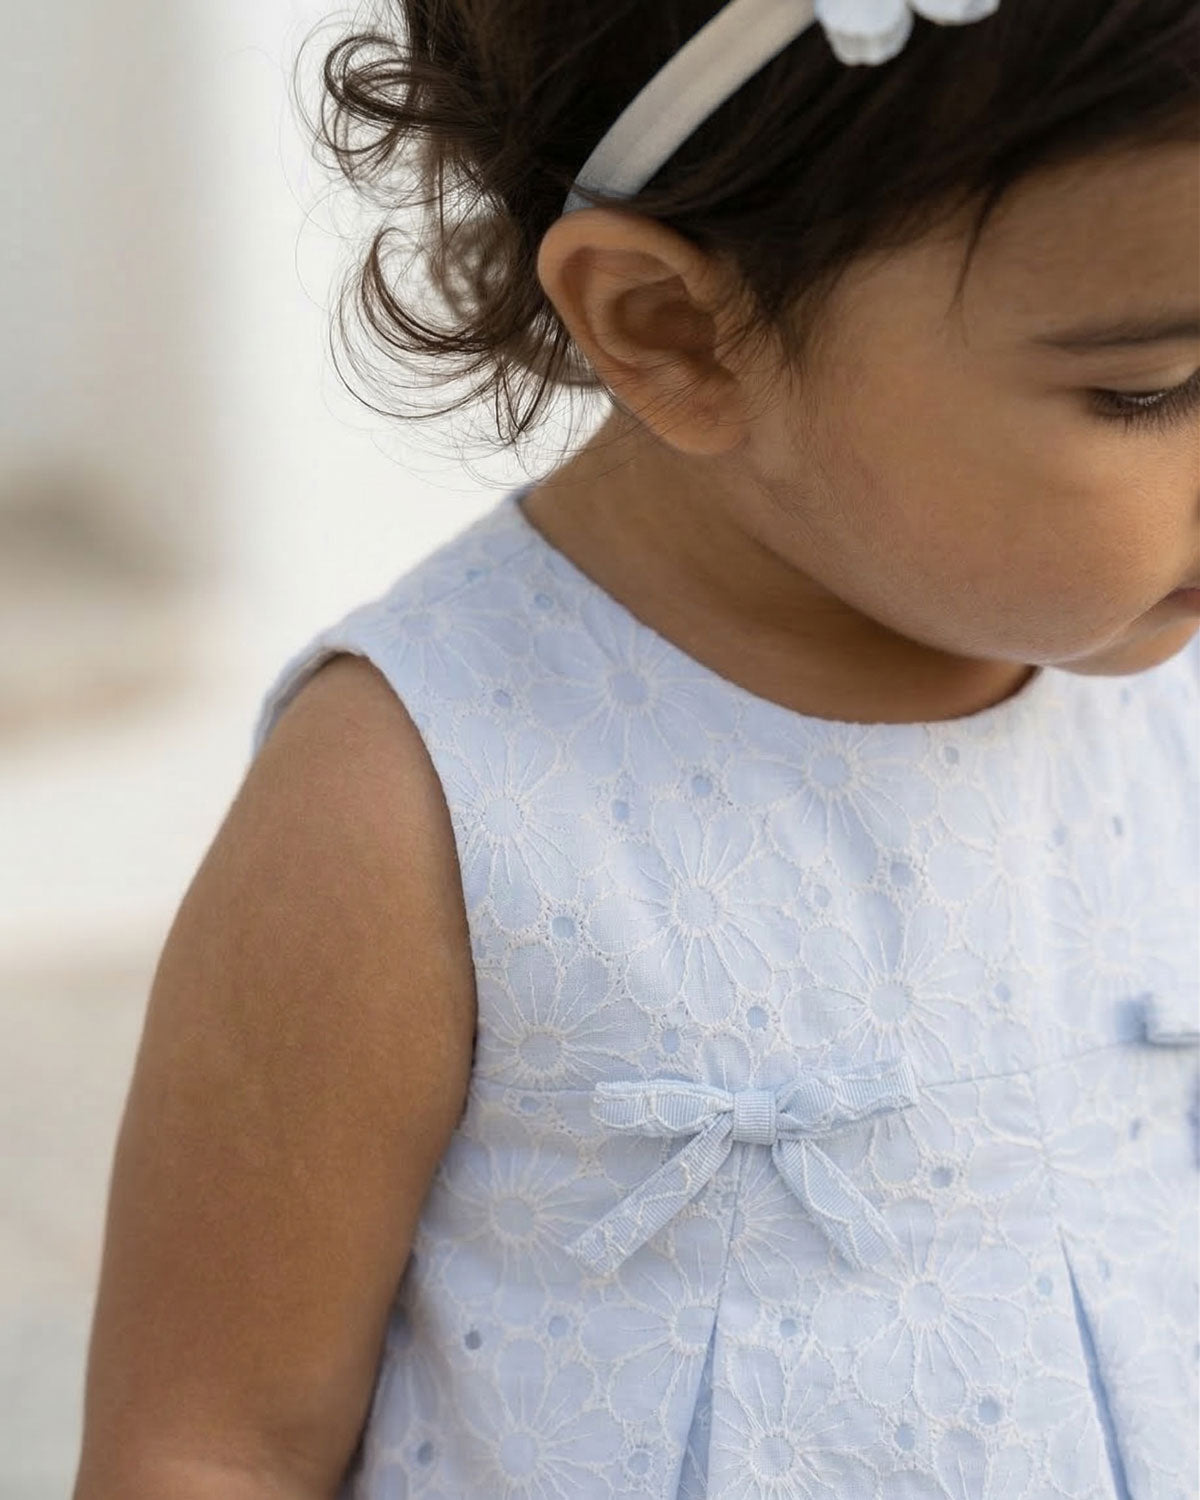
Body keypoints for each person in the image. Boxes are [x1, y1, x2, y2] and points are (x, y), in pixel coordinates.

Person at [74, 0, 1200, 1496]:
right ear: (676, 329)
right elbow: (211, 1448)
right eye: (1148, 391)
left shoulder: (1161, 707)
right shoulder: (425, 802)